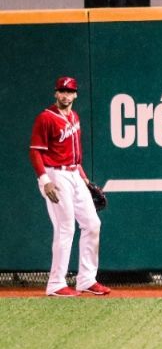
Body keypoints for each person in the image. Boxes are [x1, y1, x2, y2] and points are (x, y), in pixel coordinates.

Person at [29, 76, 111, 297]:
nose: (65, 95)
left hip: (74, 174)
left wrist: (84, 179)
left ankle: (86, 280)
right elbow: (35, 151)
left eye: (69, 91)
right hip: (55, 175)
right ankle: (56, 283)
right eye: (61, 91)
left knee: (93, 223)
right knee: (65, 228)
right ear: (55, 93)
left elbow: (75, 157)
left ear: (75, 94)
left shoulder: (74, 116)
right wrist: (44, 180)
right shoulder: (45, 118)